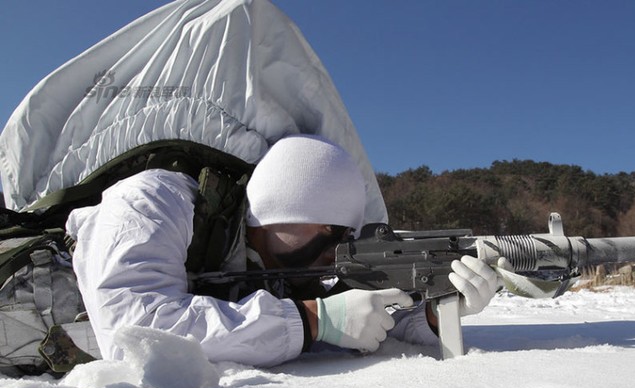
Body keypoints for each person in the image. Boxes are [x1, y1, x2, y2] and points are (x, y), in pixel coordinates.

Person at [66, 135, 499, 367]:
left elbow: (372, 310)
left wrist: (434, 312)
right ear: (274, 214)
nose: (335, 252)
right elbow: (133, 330)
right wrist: (312, 321)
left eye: (345, 233)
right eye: (327, 230)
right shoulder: (153, 201)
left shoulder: (294, 261)